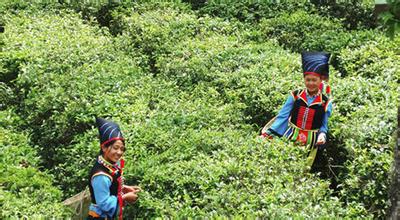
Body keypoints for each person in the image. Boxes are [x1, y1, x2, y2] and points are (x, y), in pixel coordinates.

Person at [260, 52, 333, 168]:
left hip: (311, 141)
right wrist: (270, 132)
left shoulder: (325, 102)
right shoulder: (295, 95)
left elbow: (324, 124)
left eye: (314, 80)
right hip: (291, 136)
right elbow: (283, 116)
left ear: (320, 81)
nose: (311, 83)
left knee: (303, 168)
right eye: (308, 80)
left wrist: (322, 135)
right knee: (284, 164)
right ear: (304, 79)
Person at [88, 117, 141, 219]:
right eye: (115, 148)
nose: (119, 153)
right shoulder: (100, 175)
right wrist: (125, 197)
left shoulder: (108, 164)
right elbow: (104, 203)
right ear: (104, 147)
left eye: (122, 149)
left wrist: (124, 188)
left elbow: (111, 184)